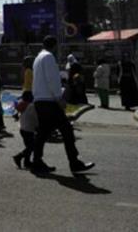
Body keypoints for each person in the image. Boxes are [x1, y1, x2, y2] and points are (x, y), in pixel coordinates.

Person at [31, 35, 94, 174]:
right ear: (54, 46)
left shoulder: (38, 58)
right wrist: (59, 98)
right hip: (49, 101)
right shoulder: (48, 57)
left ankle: (36, 161)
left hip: (40, 100)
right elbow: (52, 80)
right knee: (66, 131)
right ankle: (74, 163)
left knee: (43, 133)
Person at [12, 91, 37, 169]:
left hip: (23, 128)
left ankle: (27, 162)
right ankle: (18, 157)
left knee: (28, 146)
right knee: (32, 146)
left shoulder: (22, 104)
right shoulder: (31, 106)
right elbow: (34, 118)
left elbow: (17, 114)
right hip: (29, 129)